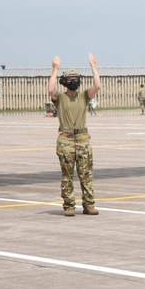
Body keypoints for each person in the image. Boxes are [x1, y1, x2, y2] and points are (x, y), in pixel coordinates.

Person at [49, 53, 102, 216]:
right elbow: (51, 90)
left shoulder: (84, 96)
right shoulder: (61, 98)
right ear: (64, 82)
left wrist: (93, 66)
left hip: (82, 139)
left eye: (75, 78)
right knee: (67, 175)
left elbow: (98, 86)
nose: (73, 81)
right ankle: (69, 205)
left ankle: (88, 205)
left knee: (86, 174)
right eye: (70, 78)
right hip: (66, 139)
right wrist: (54, 69)